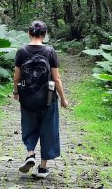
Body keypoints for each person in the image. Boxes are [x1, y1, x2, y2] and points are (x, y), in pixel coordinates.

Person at [13, 20, 68, 178]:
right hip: (48, 97)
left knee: (29, 126)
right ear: (44, 34)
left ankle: (30, 154)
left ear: (29, 33)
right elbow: (56, 79)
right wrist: (63, 99)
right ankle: (42, 168)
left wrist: (16, 93)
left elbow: (17, 77)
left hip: (27, 96)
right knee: (48, 129)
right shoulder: (50, 51)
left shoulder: (21, 51)